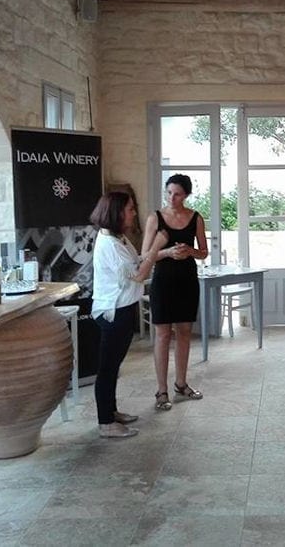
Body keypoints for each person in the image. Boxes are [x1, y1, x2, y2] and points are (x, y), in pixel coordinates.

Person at [90, 191, 168, 438]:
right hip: (113, 312)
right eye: (130, 209)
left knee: (114, 367)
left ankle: (111, 412)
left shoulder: (118, 238)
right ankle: (105, 422)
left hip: (123, 308)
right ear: (117, 212)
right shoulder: (110, 244)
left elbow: (138, 262)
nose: (134, 213)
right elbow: (139, 275)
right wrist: (157, 244)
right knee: (107, 368)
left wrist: (165, 252)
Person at [142, 174, 209, 411]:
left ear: (187, 195)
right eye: (169, 192)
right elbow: (145, 256)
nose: (172, 198)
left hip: (187, 280)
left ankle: (181, 383)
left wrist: (190, 250)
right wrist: (168, 252)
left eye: (177, 193)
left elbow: (204, 252)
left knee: (184, 333)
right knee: (162, 335)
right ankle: (161, 390)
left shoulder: (195, 218)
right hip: (162, 281)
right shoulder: (155, 218)